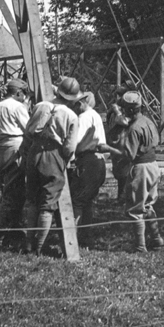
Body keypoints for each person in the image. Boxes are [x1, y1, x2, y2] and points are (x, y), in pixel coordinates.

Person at [20, 76, 82, 256]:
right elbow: (70, 146)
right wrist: (63, 159)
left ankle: (29, 244)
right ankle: (39, 248)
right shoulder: (71, 115)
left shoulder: (40, 106)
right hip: (55, 154)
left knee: (32, 199)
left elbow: (28, 131)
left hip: (34, 151)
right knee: (47, 203)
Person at [116, 91, 164, 252]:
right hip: (153, 165)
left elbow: (129, 154)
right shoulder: (148, 121)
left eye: (124, 109)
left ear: (129, 110)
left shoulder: (133, 128)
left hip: (141, 167)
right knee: (148, 204)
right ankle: (156, 239)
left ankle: (140, 246)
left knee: (135, 207)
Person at [0, 79, 32, 247]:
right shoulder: (17, 106)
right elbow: (28, 127)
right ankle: (4, 231)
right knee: (13, 190)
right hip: (14, 147)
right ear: (19, 93)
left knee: (11, 188)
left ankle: (12, 227)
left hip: (0, 147)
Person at [68, 91, 112, 246]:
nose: (75, 107)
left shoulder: (82, 117)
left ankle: (72, 239)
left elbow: (75, 141)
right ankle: (86, 236)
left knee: (78, 200)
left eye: (76, 103)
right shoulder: (96, 115)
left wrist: (69, 159)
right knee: (88, 201)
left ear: (82, 102)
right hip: (99, 159)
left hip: (87, 160)